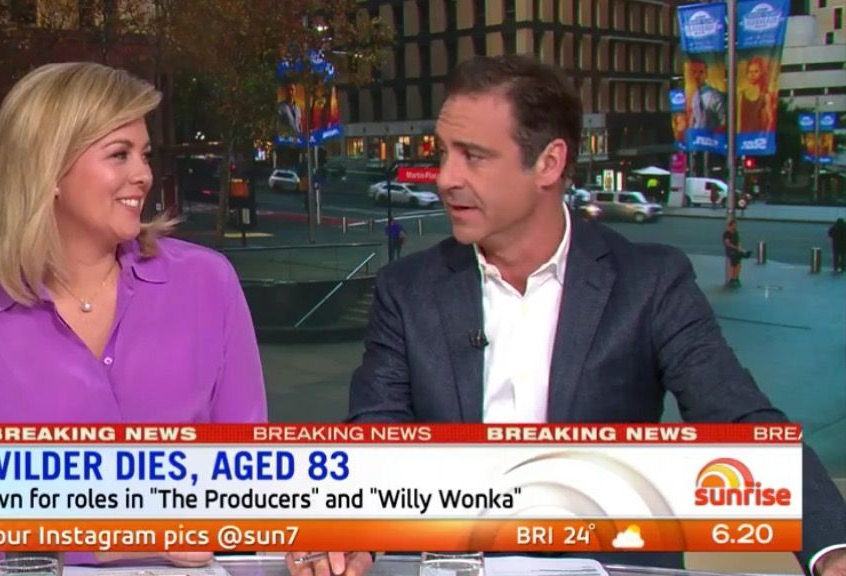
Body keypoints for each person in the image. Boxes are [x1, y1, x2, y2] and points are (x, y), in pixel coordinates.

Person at [287, 55, 846, 576]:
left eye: (473, 156)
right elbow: (379, 429)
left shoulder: (649, 283)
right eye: (444, 153)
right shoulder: (408, 289)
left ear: (548, 163)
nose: (445, 177)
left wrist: (833, 551)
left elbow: (740, 421)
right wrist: (352, 524)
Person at [0, 62, 267, 567]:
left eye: (145, 154)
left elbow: (252, 471)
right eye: (119, 154)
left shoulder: (207, 283)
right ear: (49, 170)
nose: (143, 175)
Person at [687, 59, 726, 133]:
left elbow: (724, 121)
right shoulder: (695, 95)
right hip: (697, 136)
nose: (697, 76)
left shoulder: (715, 96)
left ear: (706, 74)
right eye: (694, 72)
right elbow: (695, 118)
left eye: (701, 72)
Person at [738, 56, 774, 134]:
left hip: (758, 137)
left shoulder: (765, 96)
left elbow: (770, 119)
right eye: (750, 72)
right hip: (742, 137)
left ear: (761, 73)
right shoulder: (740, 95)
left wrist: (765, 135)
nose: (752, 75)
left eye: (756, 71)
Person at [723, 219, 751, 288]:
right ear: (730, 226)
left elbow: (738, 242)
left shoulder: (736, 233)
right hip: (730, 250)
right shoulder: (726, 234)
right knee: (734, 263)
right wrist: (737, 248)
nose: (734, 227)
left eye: (735, 226)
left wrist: (740, 249)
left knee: (738, 263)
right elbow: (728, 244)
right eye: (733, 226)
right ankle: (732, 278)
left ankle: (735, 278)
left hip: (736, 250)